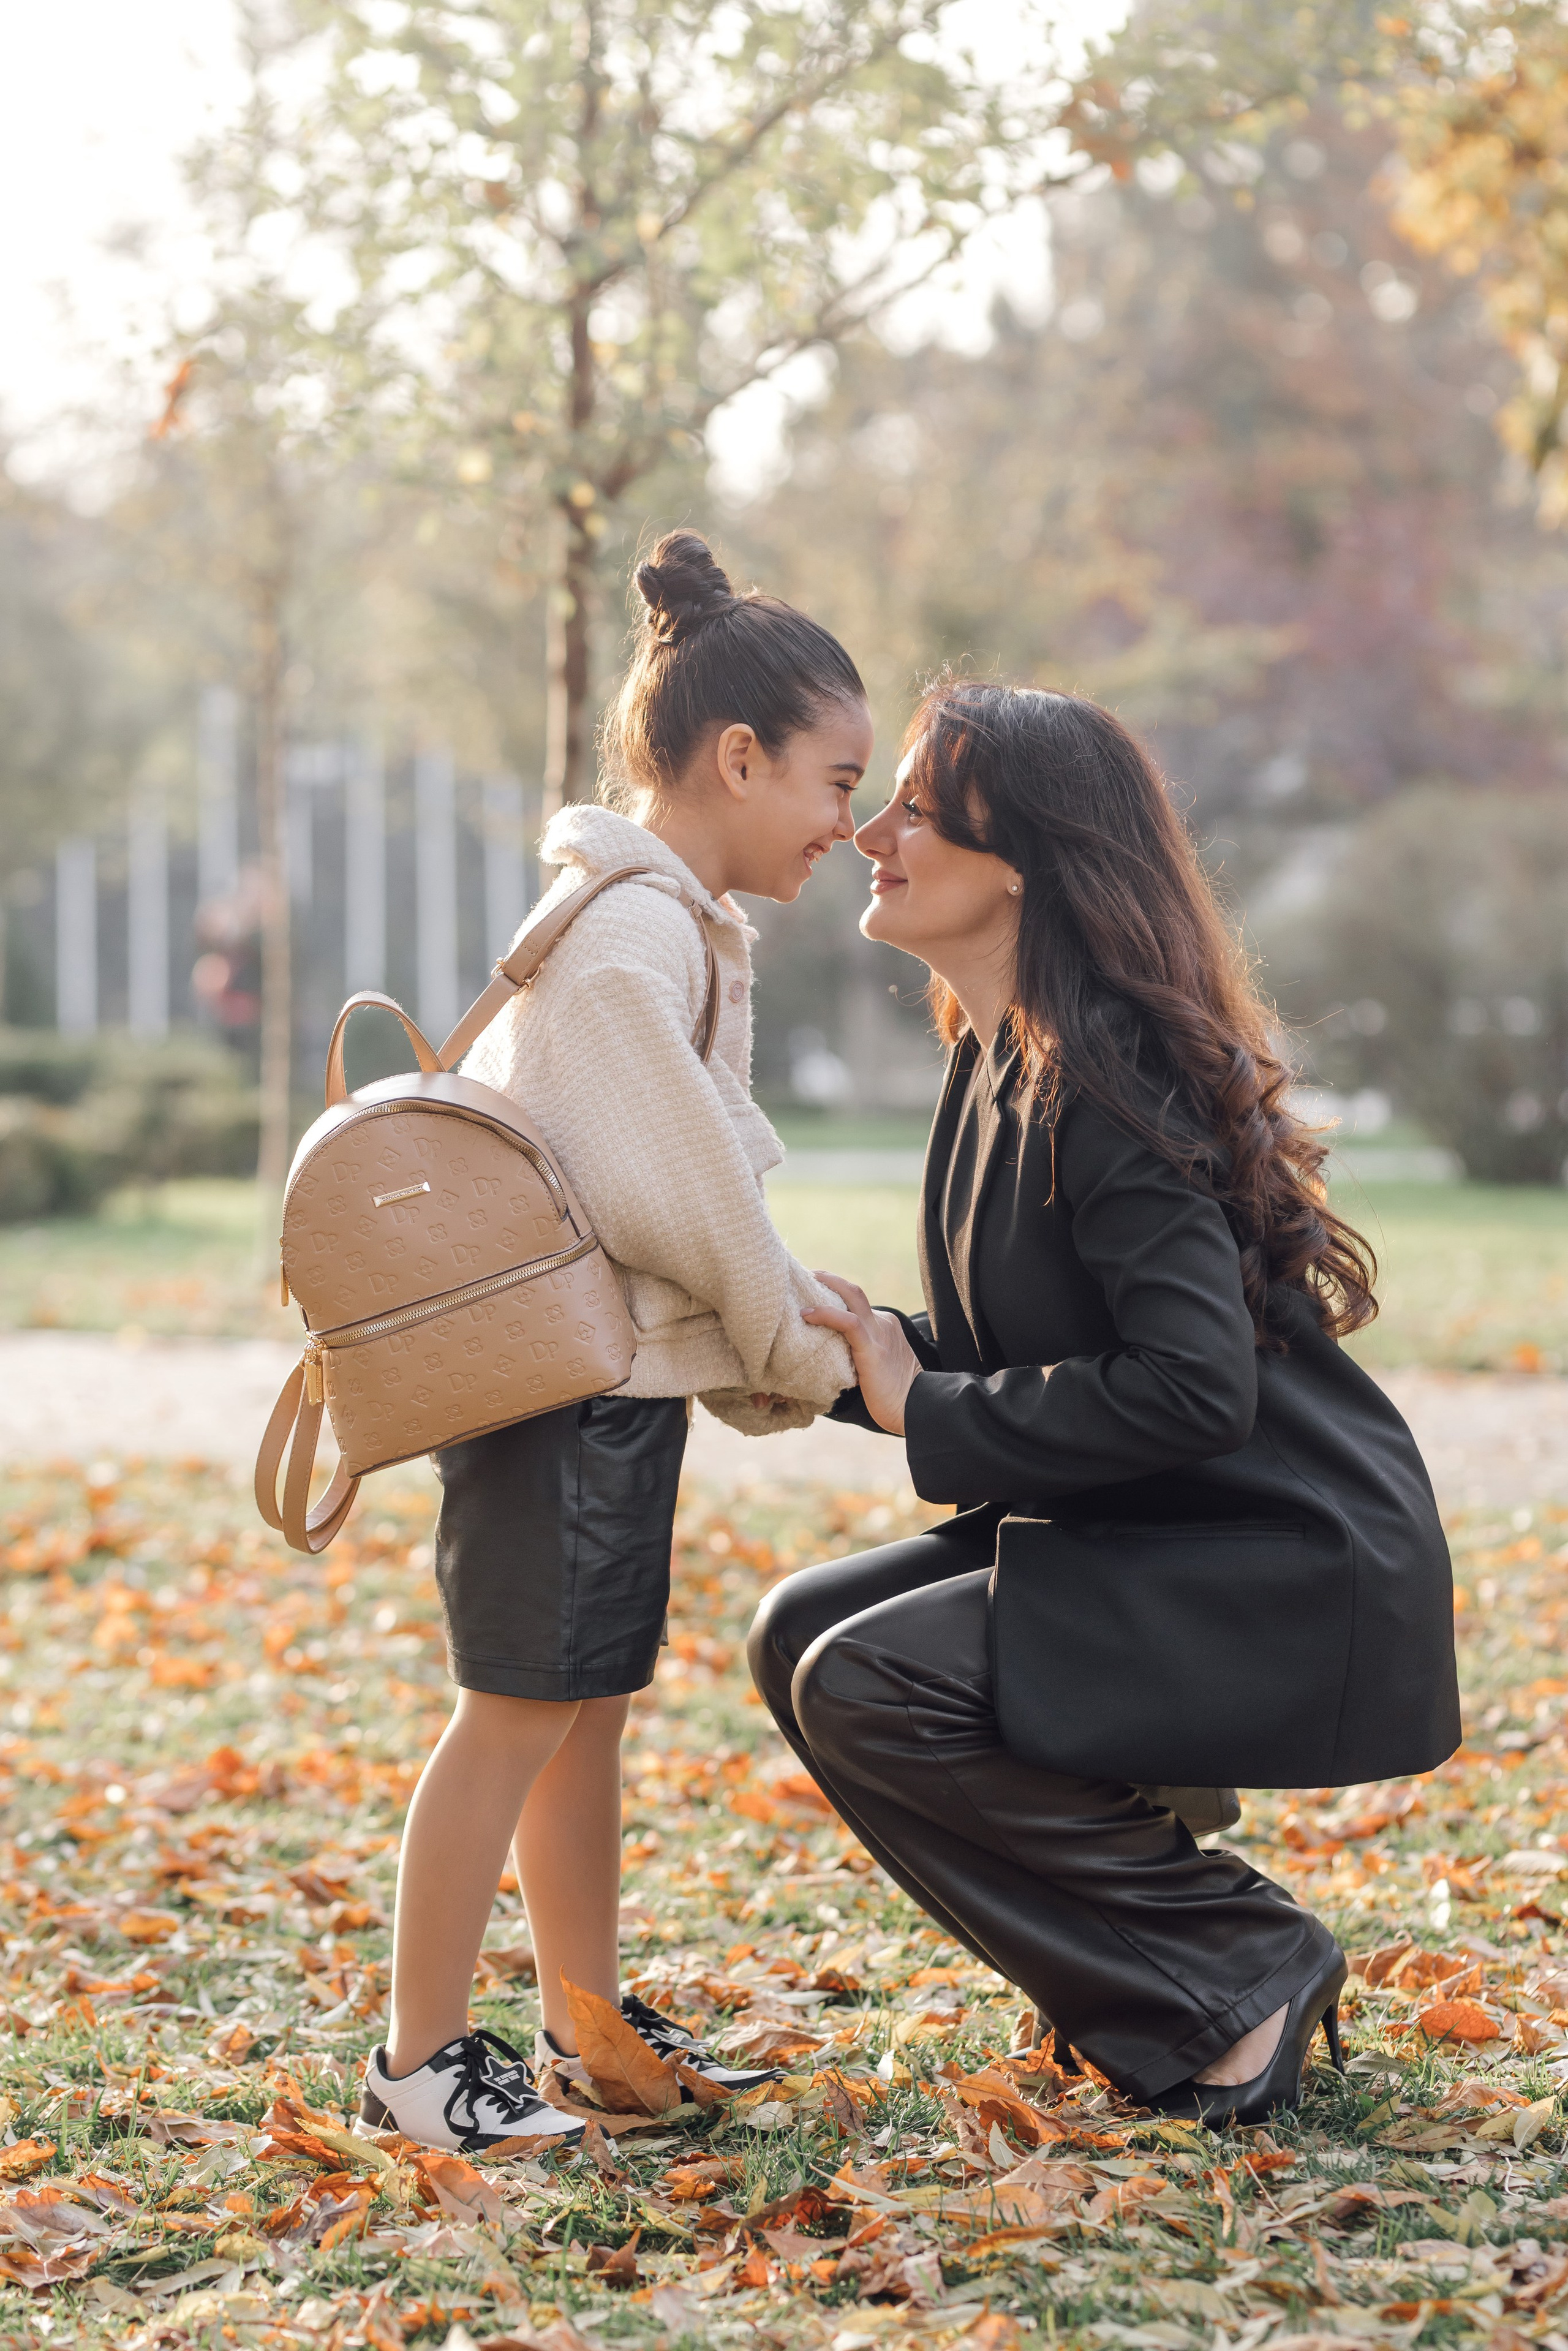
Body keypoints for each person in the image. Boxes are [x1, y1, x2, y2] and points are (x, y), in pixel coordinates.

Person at [748, 682, 1460, 2124]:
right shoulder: (998, 1049)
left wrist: (917, 1410)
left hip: (1278, 1559)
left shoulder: (1111, 1072)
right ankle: (1162, 1976)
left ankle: (1230, 1966)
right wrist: (831, 1350)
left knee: (868, 1678)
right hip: (1169, 1532)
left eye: (915, 813)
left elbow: (1190, 1385)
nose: (870, 832)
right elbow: (1033, 1336)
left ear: (1021, 859)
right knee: (797, 1632)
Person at [359, 534, 861, 2151]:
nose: (847, 824)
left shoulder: (662, 922)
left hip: (599, 1391)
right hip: (560, 1397)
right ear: (737, 756)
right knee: (515, 1709)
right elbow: (681, 1191)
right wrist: (791, 1332)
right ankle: (424, 2062)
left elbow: (695, 1179)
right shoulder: (632, 936)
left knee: (582, 1709)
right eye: (835, 780)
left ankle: (584, 2031)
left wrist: (791, 1297)